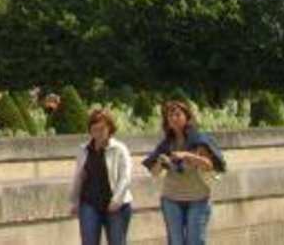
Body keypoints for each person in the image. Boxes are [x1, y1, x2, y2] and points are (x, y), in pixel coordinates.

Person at [144, 98, 227, 245]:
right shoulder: (166, 144)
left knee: (194, 241)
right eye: (170, 115)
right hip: (171, 198)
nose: (174, 118)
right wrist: (161, 162)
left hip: (198, 199)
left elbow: (209, 165)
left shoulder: (199, 140)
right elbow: (154, 172)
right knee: (176, 242)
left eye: (177, 114)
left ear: (187, 117)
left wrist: (188, 156)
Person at [69, 105, 136, 245]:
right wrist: (74, 201)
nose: (98, 133)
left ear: (110, 129)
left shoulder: (119, 149)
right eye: (94, 130)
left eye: (102, 129)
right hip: (90, 203)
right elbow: (78, 177)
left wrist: (116, 200)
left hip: (116, 205)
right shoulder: (84, 150)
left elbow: (125, 176)